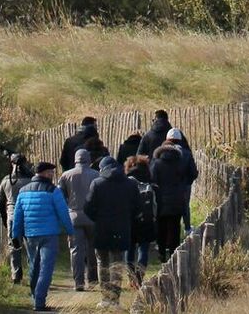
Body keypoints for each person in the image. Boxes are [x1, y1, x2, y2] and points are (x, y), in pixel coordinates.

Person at [11, 161, 72, 313]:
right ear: (44, 173)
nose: (52, 175)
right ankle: (39, 301)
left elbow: (18, 215)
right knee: (46, 268)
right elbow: (63, 213)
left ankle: (34, 296)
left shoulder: (23, 191)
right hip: (49, 234)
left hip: (30, 235)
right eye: (51, 172)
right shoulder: (53, 191)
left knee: (34, 265)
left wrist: (15, 234)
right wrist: (70, 231)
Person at [83, 156, 140, 304]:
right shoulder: (130, 184)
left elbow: (88, 207)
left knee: (103, 263)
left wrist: (98, 218)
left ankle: (105, 298)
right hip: (122, 228)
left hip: (102, 228)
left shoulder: (97, 183)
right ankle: (115, 299)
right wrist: (127, 218)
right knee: (117, 264)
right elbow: (138, 208)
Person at [150, 128, 198, 259]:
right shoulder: (181, 160)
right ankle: (173, 253)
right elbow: (193, 173)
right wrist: (183, 185)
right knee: (174, 226)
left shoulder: (157, 162)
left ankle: (161, 252)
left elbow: (152, 178)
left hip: (161, 198)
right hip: (177, 197)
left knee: (161, 225)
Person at [59, 148, 100, 290]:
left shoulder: (66, 175)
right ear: (88, 159)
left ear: (76, 159)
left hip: (74, 215)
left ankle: (79, 282)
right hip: (92, 216)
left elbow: (61, 196)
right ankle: (93, 280)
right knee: (92, 249)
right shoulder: (96, 174)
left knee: (76, 250)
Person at [124, 155, 159, 284]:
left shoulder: (126, 182)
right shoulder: (150, 183)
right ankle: (140, 277)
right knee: (143, 249)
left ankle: (131, 277)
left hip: (130, 221)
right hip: (146, 221)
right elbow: (155, 205)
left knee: (129, 248)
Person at [0, 153, 32, 284]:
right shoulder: (31, 180)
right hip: (28, 215)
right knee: (31, 246)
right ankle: (33, 272)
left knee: (14, 246)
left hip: (12, 215)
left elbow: (0, 201)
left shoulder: (6, 181)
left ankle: (16, 275)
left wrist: (4, 217)